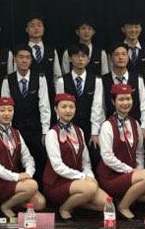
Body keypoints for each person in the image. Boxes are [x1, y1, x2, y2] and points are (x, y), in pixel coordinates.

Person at [96, 84, 145, 220]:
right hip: (111, 176)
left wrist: (139, 170)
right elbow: (107, 157)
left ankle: (122, 198)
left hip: (130, 174)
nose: (125, 103)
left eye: (128, 99)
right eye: (121, 99)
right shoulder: (107, 125)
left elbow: (139, 152)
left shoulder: (135, 124)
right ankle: (123, 207)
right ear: (113, 102)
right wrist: (130, 171)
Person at [43, 93, 109, 221]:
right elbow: (57, 166)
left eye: (71, 107)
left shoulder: (79, 131)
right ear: (56, 109)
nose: (68, 110)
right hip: (57, 182)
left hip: (78, 181)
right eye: (64, 107)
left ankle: (75, 203)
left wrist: (90, 177)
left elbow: (86, 162)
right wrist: (83, 177)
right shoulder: (52, 133)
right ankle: (64, 208)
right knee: (90, 188)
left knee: (105, 203)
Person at [0, 97, 46, 218]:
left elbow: (28, 158)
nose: (6, 113)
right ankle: (5, 206)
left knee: (40, 203)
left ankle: (11, 201)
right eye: (2, 110)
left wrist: (28, 174)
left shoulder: (16, 133)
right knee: (32, 186)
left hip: (16, 181)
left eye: (10, 110)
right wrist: (15, 177)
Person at [1, 44, 51, 184]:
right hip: (15, 128)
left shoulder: (40, 78)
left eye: (27, 58)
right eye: (21, 57)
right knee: (16, 160)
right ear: (15, 59)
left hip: (36, 129)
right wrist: (7, 131)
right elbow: (5, 109)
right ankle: (20, 189)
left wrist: (45, 131)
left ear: (31, 60)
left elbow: (44, 106)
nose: (24, 60)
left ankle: (39, 188)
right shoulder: (7, 80)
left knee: (39, 159)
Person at [56, 43, 105, 166]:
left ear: (88, 59)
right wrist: (62, 130)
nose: (80, 59)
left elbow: (97, 107)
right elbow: (59, 108)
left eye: (83, 56)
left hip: (90, 127)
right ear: (70, 59)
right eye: (76, 56)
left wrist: (95, 132)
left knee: (94, 157)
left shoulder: (97, 80)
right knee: (70, 158)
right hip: (69, 127)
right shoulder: (62, 81)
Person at [102, 43, 145, 133]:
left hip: (136, 128)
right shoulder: (103, 80)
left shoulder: (138, 79)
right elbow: (101, 107)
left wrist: (144, 127)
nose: (121, 57)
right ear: (110, 58)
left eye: (124, 54)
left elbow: (144, 105)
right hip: (111, 128)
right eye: (116, 54)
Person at [26, 14, 62, 108]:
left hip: (50, 97)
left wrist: (59, 99)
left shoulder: (51, 50)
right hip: (28, 96)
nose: (36, 28)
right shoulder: (22, 51)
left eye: (39, 25)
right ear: (27, 29)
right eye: (32, 25)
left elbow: (57, 77)